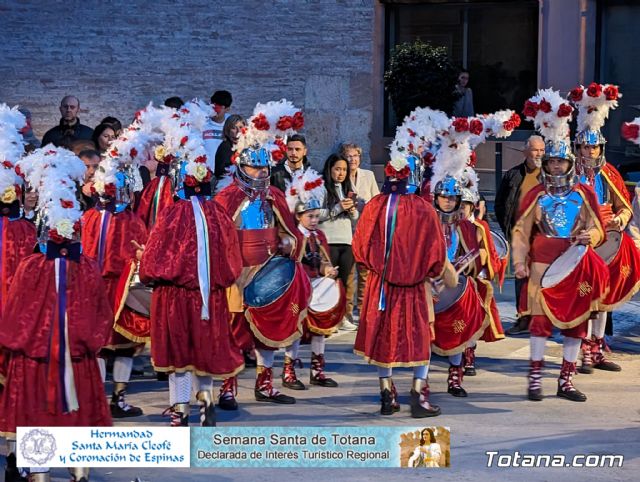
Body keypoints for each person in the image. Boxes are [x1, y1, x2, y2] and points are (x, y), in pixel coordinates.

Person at [1, 146, 112, 482]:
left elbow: (17, 315)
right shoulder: (87, 267)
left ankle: (40, 472)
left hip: (38, 362)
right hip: (76, 360)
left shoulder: (32, 267)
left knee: (39, 413)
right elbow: (101, 317)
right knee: (75, 417)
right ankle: (77, 473)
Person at [140, 101, 243, 427]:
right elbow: (230, 259)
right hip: (209, 296)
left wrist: (147, 270)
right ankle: (207, 401)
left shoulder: (171, 213)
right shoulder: (218, 215)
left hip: (175, 297)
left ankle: (180, 408)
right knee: (205, 349)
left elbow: (156, 258)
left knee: (179, 354)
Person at [215, 100, 310, 407]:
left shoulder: (274, 195)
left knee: (265, 331)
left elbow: (291, 231)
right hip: (235, 273)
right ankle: (227, 388)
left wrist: (287, 244)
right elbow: (217, 237)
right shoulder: (228, 197)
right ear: (240, 167)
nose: (258, 172)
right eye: (253, 166)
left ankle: (265, 384)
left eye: (263, 167)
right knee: (233, 331)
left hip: (268, 270)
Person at [517, 89, 609, 402]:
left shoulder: (584, 193)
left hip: (575, 265)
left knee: (576, 325)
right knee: (540, 323)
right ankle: (535, 378)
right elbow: (520, 230)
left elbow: (597, 227)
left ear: (569, 163)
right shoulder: (535, 195)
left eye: (561, 162)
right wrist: (518, 262)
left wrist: (591, 237)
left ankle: (566, 381)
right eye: (552, 162)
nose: (556, 167)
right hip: (542, 266)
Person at [353, 153, 454, 418]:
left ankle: (387, 394)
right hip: (414, 287)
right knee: (420, 339)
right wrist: (430, 272)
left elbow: (361, 248)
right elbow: (436, 253)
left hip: (381, 286)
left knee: (383, 338)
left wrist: (378, 270)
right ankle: (418, 396)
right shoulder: (424, 209)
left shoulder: (374, 206)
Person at [570, 82, 637, 374]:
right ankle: (582, 349)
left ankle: (597, 347)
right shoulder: (568, 174)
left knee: (603, 300)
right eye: (585, 145)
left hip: (607, 242)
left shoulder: (610, 173)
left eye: (594, 145)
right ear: (578, 147)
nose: (590, 150)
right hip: (580, 242)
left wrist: (620, 221)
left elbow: (624, 206)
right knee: (585, 297)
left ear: (601, 147)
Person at [81, 134, 148, 420]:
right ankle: (114, 398)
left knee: (109, 345)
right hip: (113, 290)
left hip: (102, 289)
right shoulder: (126, 221)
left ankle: (104, 398)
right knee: (116, 345)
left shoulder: (90, 218)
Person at [283, 169, 344, 389]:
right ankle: (289, 371)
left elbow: (324, 261)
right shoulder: (292, 237)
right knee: (296, 330)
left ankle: (317, 370)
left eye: (317, 216)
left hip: (315, 289)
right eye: (310, 216)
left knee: (320, 331)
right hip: (297, 290)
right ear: (298, 216)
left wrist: (328, 270)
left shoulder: (320, 236)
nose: (314, 220)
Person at [494, 135, 545, 335]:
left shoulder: (550, 174)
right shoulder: (513, 175)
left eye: (542, 150)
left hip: (543, 236)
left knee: (543, 277)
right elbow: (500, 203)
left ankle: (543, 319)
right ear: (525, 151)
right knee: (521, 278)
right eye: (535, 150)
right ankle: (523, 319)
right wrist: (508, 228)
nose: (539, 154)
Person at [339, 142, 379, 326]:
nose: (352, 159)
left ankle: (363, 312)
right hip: (346, 229)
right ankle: (346, 314)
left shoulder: (368, 175)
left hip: (366, 230)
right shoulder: (340, 176)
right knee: (347, 274)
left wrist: (365, 205)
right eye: (348, 156)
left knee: (365, 273)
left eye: (355, 156)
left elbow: (377, 201)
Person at [318, 153, 359, 331]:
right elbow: (316, 214)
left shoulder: (348, 187)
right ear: (330, 169)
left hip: (346, 240)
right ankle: (326, 318)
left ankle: (342, 317)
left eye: (344, 170)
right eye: (337, 169)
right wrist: (337, 208)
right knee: (328, 282)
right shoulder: (321, 188)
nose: (341, 173)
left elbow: (355, 217)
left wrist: (351, 210)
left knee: (344, 282)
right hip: (329, 240)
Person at [202, 90, 232, 172]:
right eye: (213, 106)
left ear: (227, 109)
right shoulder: (201, 121)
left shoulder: (232, 124)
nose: (215, 110)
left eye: (220, 107)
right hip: (205, 173)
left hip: (225, 175)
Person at [214, 114, 245, 188]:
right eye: (233, 128)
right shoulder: (224, 147)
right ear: (227, 130)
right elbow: (220, 172)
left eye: (240, 127)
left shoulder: (248, 146)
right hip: (229, 187)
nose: (238, 131)